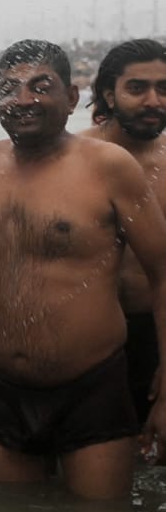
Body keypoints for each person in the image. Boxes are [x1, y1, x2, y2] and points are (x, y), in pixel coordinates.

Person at [0, 39, 166, 498]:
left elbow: (163, 274)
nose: (23, 100)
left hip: (91, 387)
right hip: (3, 390)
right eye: (9, 88)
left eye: (40, 86)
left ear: (72, 98)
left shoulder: (109, 166)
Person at [81, 39, 166, 427]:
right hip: (90, 337)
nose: (154, 100)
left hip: (158, 331)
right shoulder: (75, 157)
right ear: (108, 95)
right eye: (137, 88)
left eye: (163, 88)